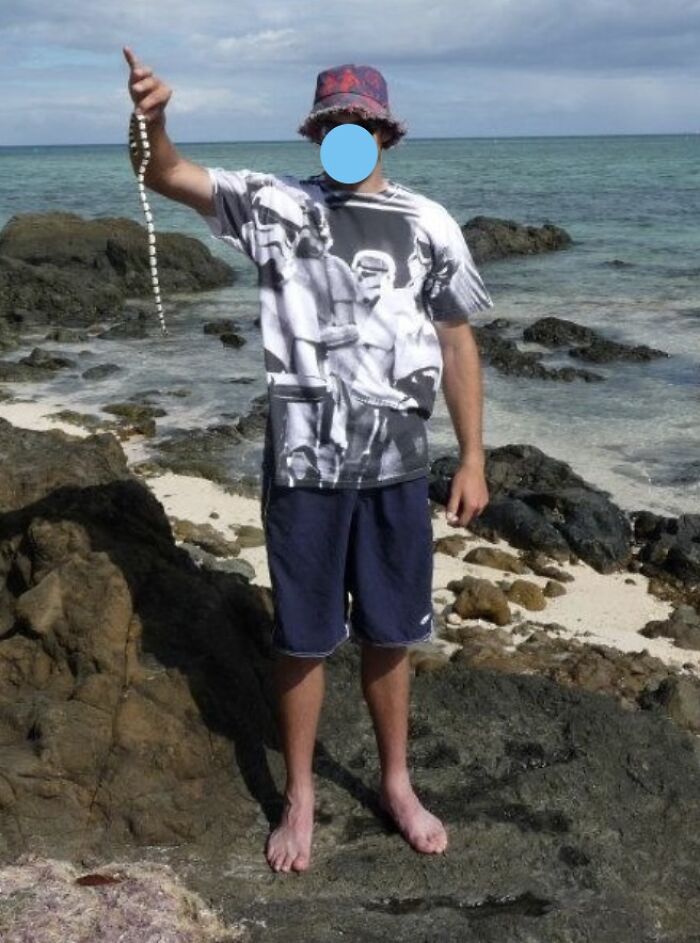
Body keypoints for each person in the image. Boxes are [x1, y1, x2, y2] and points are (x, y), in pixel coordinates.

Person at [123, 48, 493, 873]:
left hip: (397, 467)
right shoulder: (276, 205)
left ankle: (396, 781)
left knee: (393, 633)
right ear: (317, 133)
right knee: (303, 636)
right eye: (332, 123)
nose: (346, 133)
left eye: (360, 122)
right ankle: (299, 794)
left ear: (385, 131)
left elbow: (457, 341)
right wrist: (151, 120)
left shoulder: (430, 222)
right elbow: (165, 174)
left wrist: (472, 456)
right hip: (304, 468)